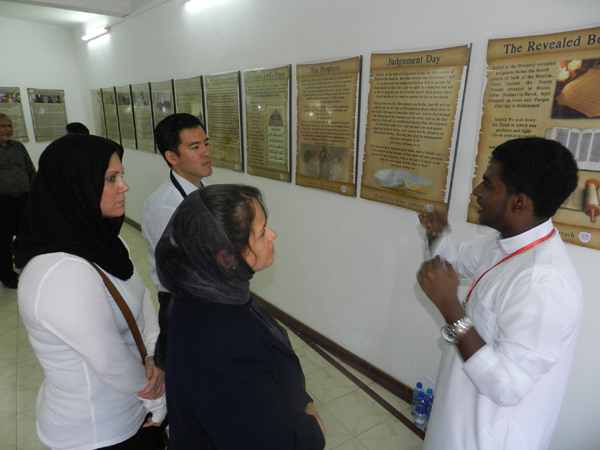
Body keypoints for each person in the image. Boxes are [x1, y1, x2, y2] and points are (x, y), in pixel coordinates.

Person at [416, 137, 582, 450]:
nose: (477, 192)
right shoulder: (505, 242)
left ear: (519, 202)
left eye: (488, 185)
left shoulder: (542, 281)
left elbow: (507, 386)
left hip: (490, 436)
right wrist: (437, 238)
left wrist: (451, 310)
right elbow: (455, 262)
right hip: (460, 413)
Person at [13, 135, 166, 449]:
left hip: (131, 412)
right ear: (75, 187)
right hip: (97, 431)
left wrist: (153, 353)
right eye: (111, 179)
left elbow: (143, 299)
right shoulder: (60, 272)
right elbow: (110, 362)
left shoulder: (106, 242)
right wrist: (157, 394)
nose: (124, 186)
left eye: (121, 175)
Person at [155, 184, 326, 449]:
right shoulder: (227, 349)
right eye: (260, 234)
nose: (273, 234)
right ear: (227, 258)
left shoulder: (197, 290)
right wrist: (314, 427)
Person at [142, 113, 212, 369]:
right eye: (194, 147)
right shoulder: (164, 208)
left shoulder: (202, 190)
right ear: (172, 157)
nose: (206, 152)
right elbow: (183, 273)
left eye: (206, 143)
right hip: (184, 306)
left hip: (206, 298)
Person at [0, 113, 36, 289]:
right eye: (3, 126)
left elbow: (30, 171)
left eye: (9, 125)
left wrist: (36, 194)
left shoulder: (18, 147)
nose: (8, 129)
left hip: (24, 199)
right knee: (3, 240)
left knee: (26, 235)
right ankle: (7, 275)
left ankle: (26, 265)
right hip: (2, 203)